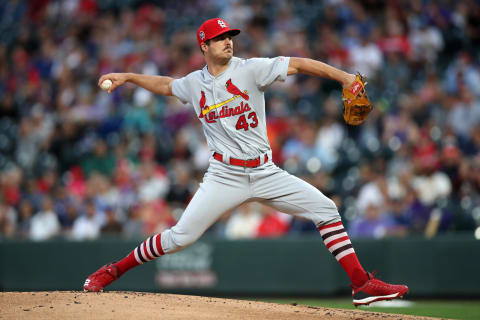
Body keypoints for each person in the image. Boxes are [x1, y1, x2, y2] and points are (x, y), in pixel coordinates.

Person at [83, 18, 408, 306]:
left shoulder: (251, 69)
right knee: (180, 237)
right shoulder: (194, 83)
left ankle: (361, 284)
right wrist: (127, 76)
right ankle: (112, 270)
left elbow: (299, 63)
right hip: (224, 175)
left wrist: (344, 77)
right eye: (220, 38)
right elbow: (167, 85)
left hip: (265, 171)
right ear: (204, 45)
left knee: (325, 209)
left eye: (230, 36)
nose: (228, 41)